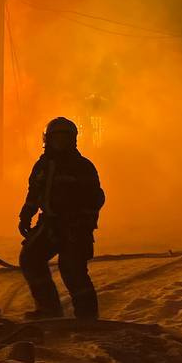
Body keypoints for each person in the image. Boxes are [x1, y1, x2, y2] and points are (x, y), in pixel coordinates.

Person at [18, 116, 105, 320]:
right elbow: (34, 193)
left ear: (73, 140)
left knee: (72, 269)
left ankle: (87, 315)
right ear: (47, 139)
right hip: (50, 224)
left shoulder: (82, 167)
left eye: (64, 139)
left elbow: (96, 198)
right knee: (30, 259)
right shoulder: (42, 166)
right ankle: (49, 308)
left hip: (75, 227)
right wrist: (26, 215)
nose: (60, 143)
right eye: (56, 138)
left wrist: (84, 224)